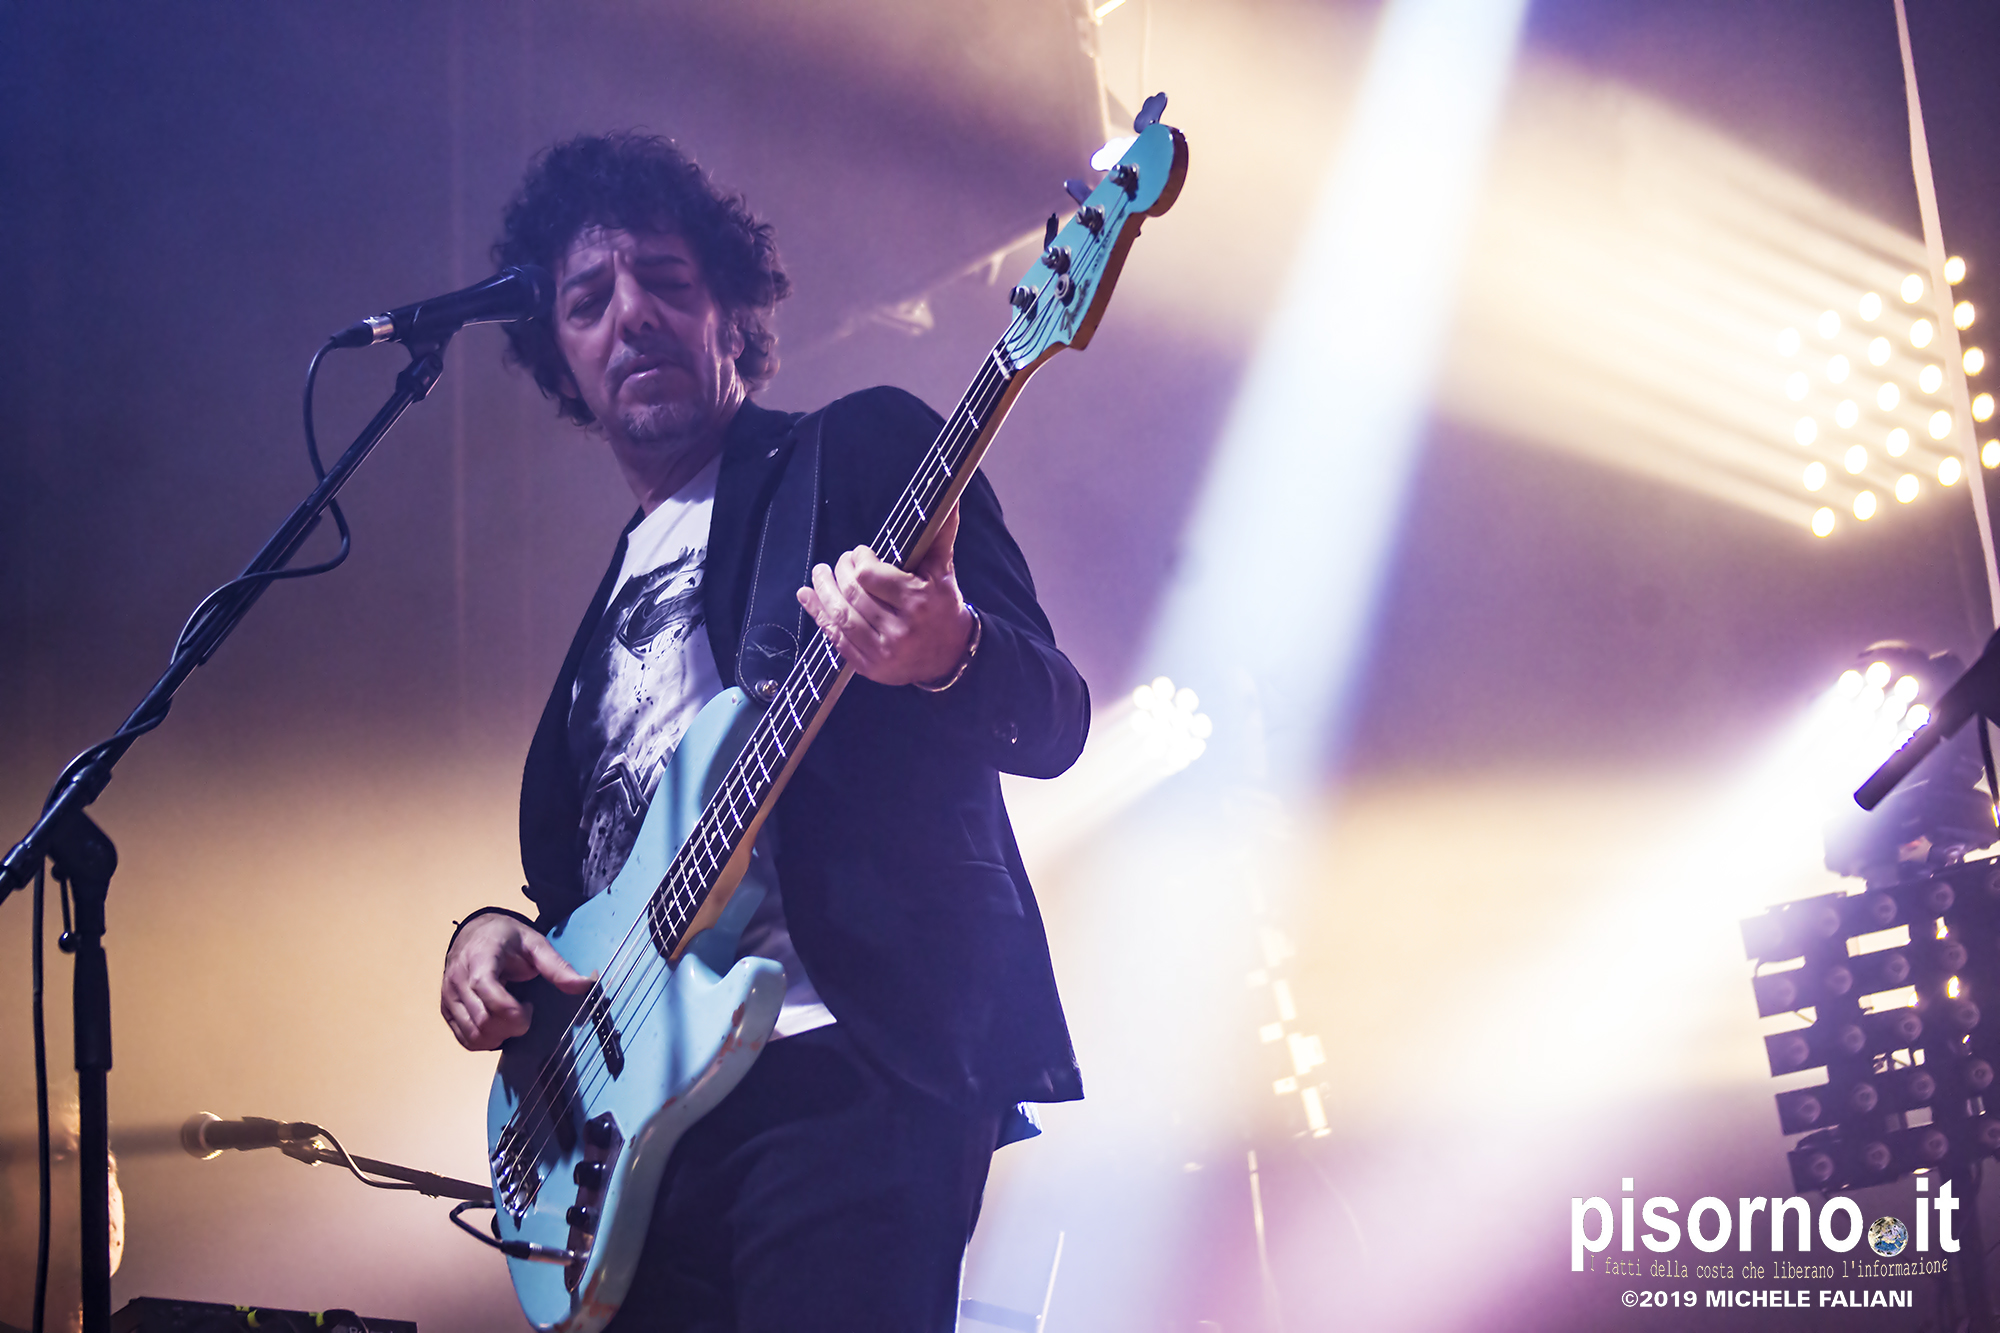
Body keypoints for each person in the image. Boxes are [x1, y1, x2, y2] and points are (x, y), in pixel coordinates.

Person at [438, 133, 1088, 1332]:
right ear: (558, 358)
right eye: (587, 301)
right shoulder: (604, 599)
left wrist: (946, 650)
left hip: (842, 1070)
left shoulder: (859, 452)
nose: (631, 314)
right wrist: (488, 935)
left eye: (665, 281)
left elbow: (1055, 716)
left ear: (731, 316)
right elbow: (584, 898)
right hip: (635, 1143)